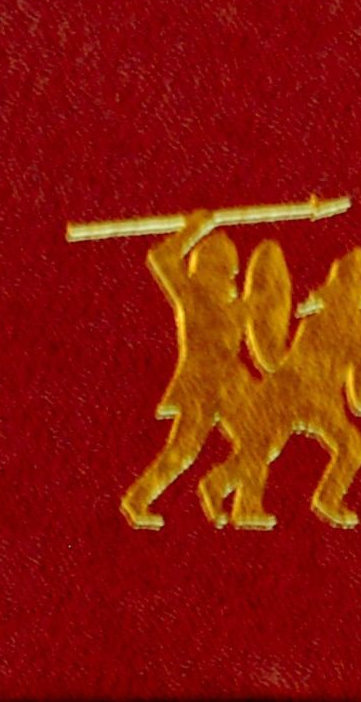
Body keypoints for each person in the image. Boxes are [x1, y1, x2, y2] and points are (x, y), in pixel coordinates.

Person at [118, 212, 289, 529]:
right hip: (201, 383)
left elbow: (265, 305)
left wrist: (272, 296)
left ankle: (240, 501)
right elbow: (161, 258)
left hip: (231, 382)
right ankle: (137, 499)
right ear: (204, 268)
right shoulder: (191, 296)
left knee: (261, 438)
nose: (227, 279)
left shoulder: (234, 305)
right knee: (183, 451)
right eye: (220, 270)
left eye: (229, 272)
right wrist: (195, 229)